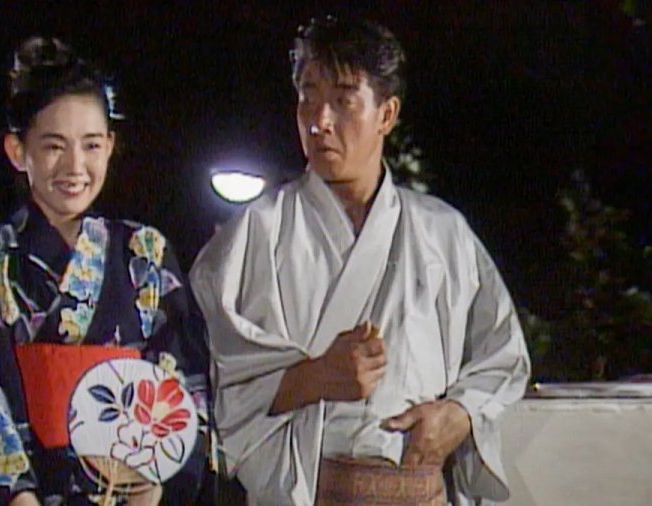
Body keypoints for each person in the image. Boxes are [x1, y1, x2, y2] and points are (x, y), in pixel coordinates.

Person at [190, 15, 530, 506]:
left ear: (386, 114)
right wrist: (311, 378)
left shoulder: (443, 233)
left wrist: (458, 414)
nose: (319, 121)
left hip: (419, 488)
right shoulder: (253, 235)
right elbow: (211, 379)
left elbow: (503, 356)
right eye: (308, 97)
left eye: (343, 100)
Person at [0, 37, 208, 506]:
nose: (75, 166)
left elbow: (182, 387)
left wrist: (152, 485)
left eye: (91, 145)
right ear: (18, 151)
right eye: (54, 146)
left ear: (109, 146)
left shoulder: (146, 255)